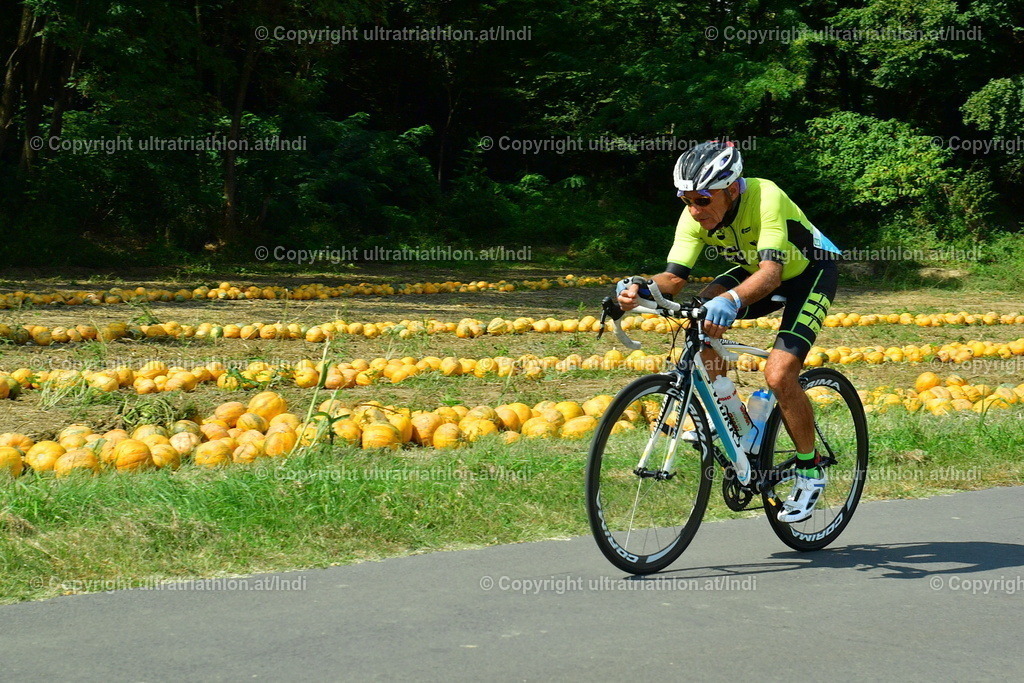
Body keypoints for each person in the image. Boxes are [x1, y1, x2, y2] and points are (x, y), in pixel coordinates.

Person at [616, 140, 841, 523]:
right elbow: (672, 278)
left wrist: (732, 300)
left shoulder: (766, 196)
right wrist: (636, 287)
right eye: (685, 199)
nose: (694, 209)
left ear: (732, 188)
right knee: (700, 327)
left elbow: (772, 275)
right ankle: (741, 424)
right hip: (756, 271)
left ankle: (809, 468)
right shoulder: (694, 216)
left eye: (703, 199)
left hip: (809, 273)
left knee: (779, 374)